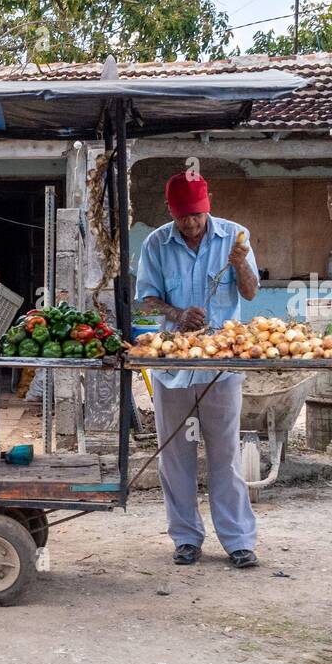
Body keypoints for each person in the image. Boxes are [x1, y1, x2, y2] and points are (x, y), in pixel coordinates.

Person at [135, 171, 261, 569]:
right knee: (175, 456)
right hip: (173, 366)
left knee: (225, 454)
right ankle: (186, 538)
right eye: (183, 217)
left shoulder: (235, 237)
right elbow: (145, 302)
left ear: (208, 206)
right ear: (171, 213)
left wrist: (241, 266)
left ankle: (238, 540)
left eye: (197, 215)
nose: (191, 224)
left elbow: (251, 291)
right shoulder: (156, 243)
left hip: (221, 367)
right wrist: (176, 313)